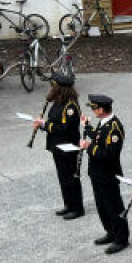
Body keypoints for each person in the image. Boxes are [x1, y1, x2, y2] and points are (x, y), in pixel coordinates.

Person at [80, 94, 129, 254]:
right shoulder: (104, 123)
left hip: (108, 173)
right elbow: (99, 138)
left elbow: (109, 154)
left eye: (94, 108)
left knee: (113, 207)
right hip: (97, 172)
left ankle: (121, 238)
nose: (93, 110)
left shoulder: (114, 128)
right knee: (102, 206)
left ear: (102, 109)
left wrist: (88, 147)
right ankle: (111, 232)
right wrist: (87, 127)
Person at [33, 73, 84, 220]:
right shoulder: (58, 102)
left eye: (54, 85)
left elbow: (64, 128)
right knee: (63, 177)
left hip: (68, 147)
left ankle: (77, 208)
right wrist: (42, 125)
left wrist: (45, 124)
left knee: (71, 177)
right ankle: (68, 204)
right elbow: (53, 123)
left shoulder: (71, 106)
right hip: (57, 146)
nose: (52, 88)